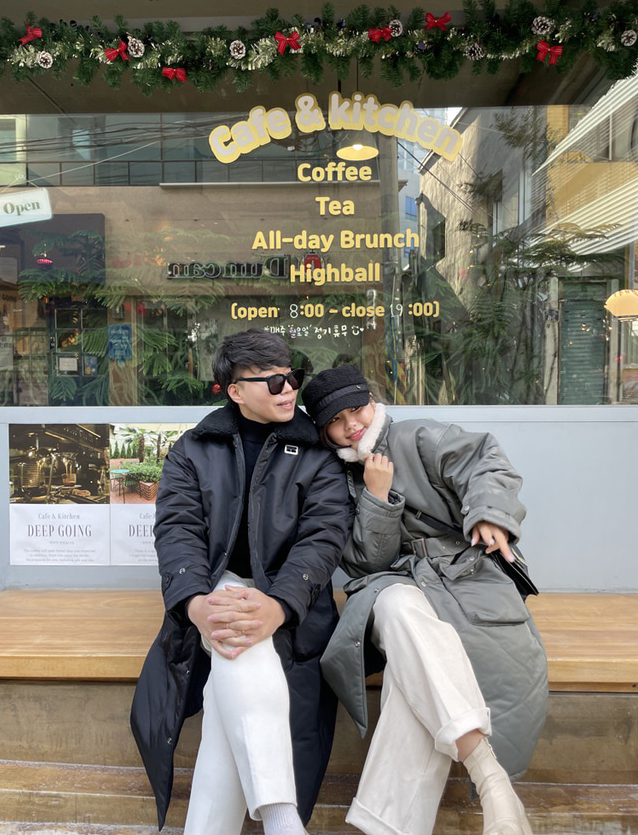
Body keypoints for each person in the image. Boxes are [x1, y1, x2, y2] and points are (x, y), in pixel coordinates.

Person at [302, 365, 548, 835]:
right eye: (335, 421)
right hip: (389, 584)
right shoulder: (329, 476)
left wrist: (487, 514)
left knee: (409, 676)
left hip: (463, 576)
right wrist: (377, 498)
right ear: (323, 430)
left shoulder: (417, 437)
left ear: (372, 403)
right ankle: (490, 777)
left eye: (357, 410)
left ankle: (388, 826)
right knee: (397, 605)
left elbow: (484, 462)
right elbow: (365, 564)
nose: (351, 425)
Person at [130, 329, 350, 835]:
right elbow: (177, 530)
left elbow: (323, 538)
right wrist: (194, 604)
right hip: (215, 586)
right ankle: (281, 818)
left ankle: (267, 820)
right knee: (232, 619)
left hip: (289, 597)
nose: (288, 389)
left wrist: (279, 605)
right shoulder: (193, 449)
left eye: (292, 376)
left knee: (234, 654)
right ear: (236, 391)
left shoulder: (317, 452)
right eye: (272, 381)